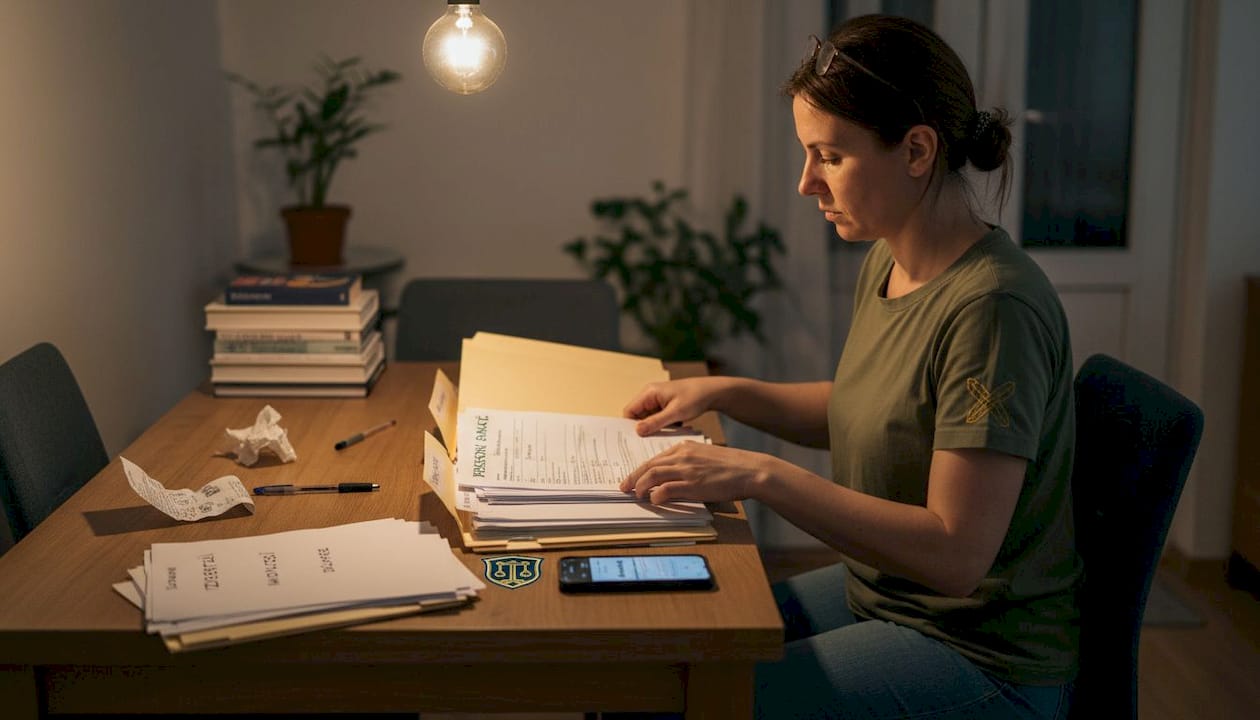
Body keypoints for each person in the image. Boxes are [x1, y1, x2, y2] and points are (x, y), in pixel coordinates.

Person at [619, 14, 1079, 720]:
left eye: (829, 156)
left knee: (689, 699)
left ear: (917, 150)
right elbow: (873, 406)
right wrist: (727, 391)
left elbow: (957, 555)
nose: (807, 183)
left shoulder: (994, 308)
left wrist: (761, 474)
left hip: (978, 651)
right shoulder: (890, 260)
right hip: (886, 595)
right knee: (673, 651)